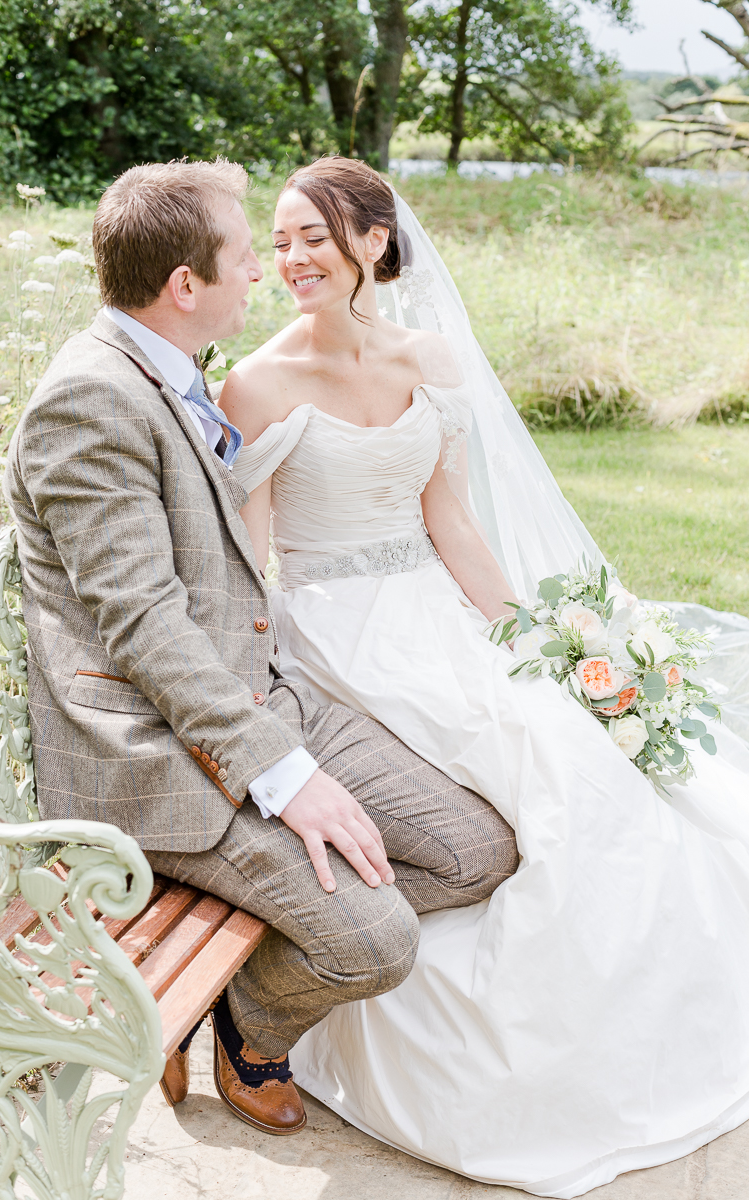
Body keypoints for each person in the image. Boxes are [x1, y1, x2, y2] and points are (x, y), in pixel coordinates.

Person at [219, 155, 749, 1197]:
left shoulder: (428, 357)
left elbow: (449, 521)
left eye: (311, 238)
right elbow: (253, 561)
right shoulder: (257, 379)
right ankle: (283, 997)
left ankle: (614, 1064)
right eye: (278, 242)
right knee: (505, 820)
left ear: (372, 241)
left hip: (437, 614)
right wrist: (272, 688)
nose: (290, 260)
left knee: (592, 785)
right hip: (334, 637)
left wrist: (536, 644)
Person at [3, 159, 518, 1139]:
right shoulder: (90, 403)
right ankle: (254, 1030)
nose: (266, 272)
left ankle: (229, 986)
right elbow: (142, 622)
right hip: (155, 756)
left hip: (263, 693)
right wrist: (283, 773)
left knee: (474, 848)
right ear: (184, 286)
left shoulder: (167, 370)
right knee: (377, 939)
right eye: (248, 254)